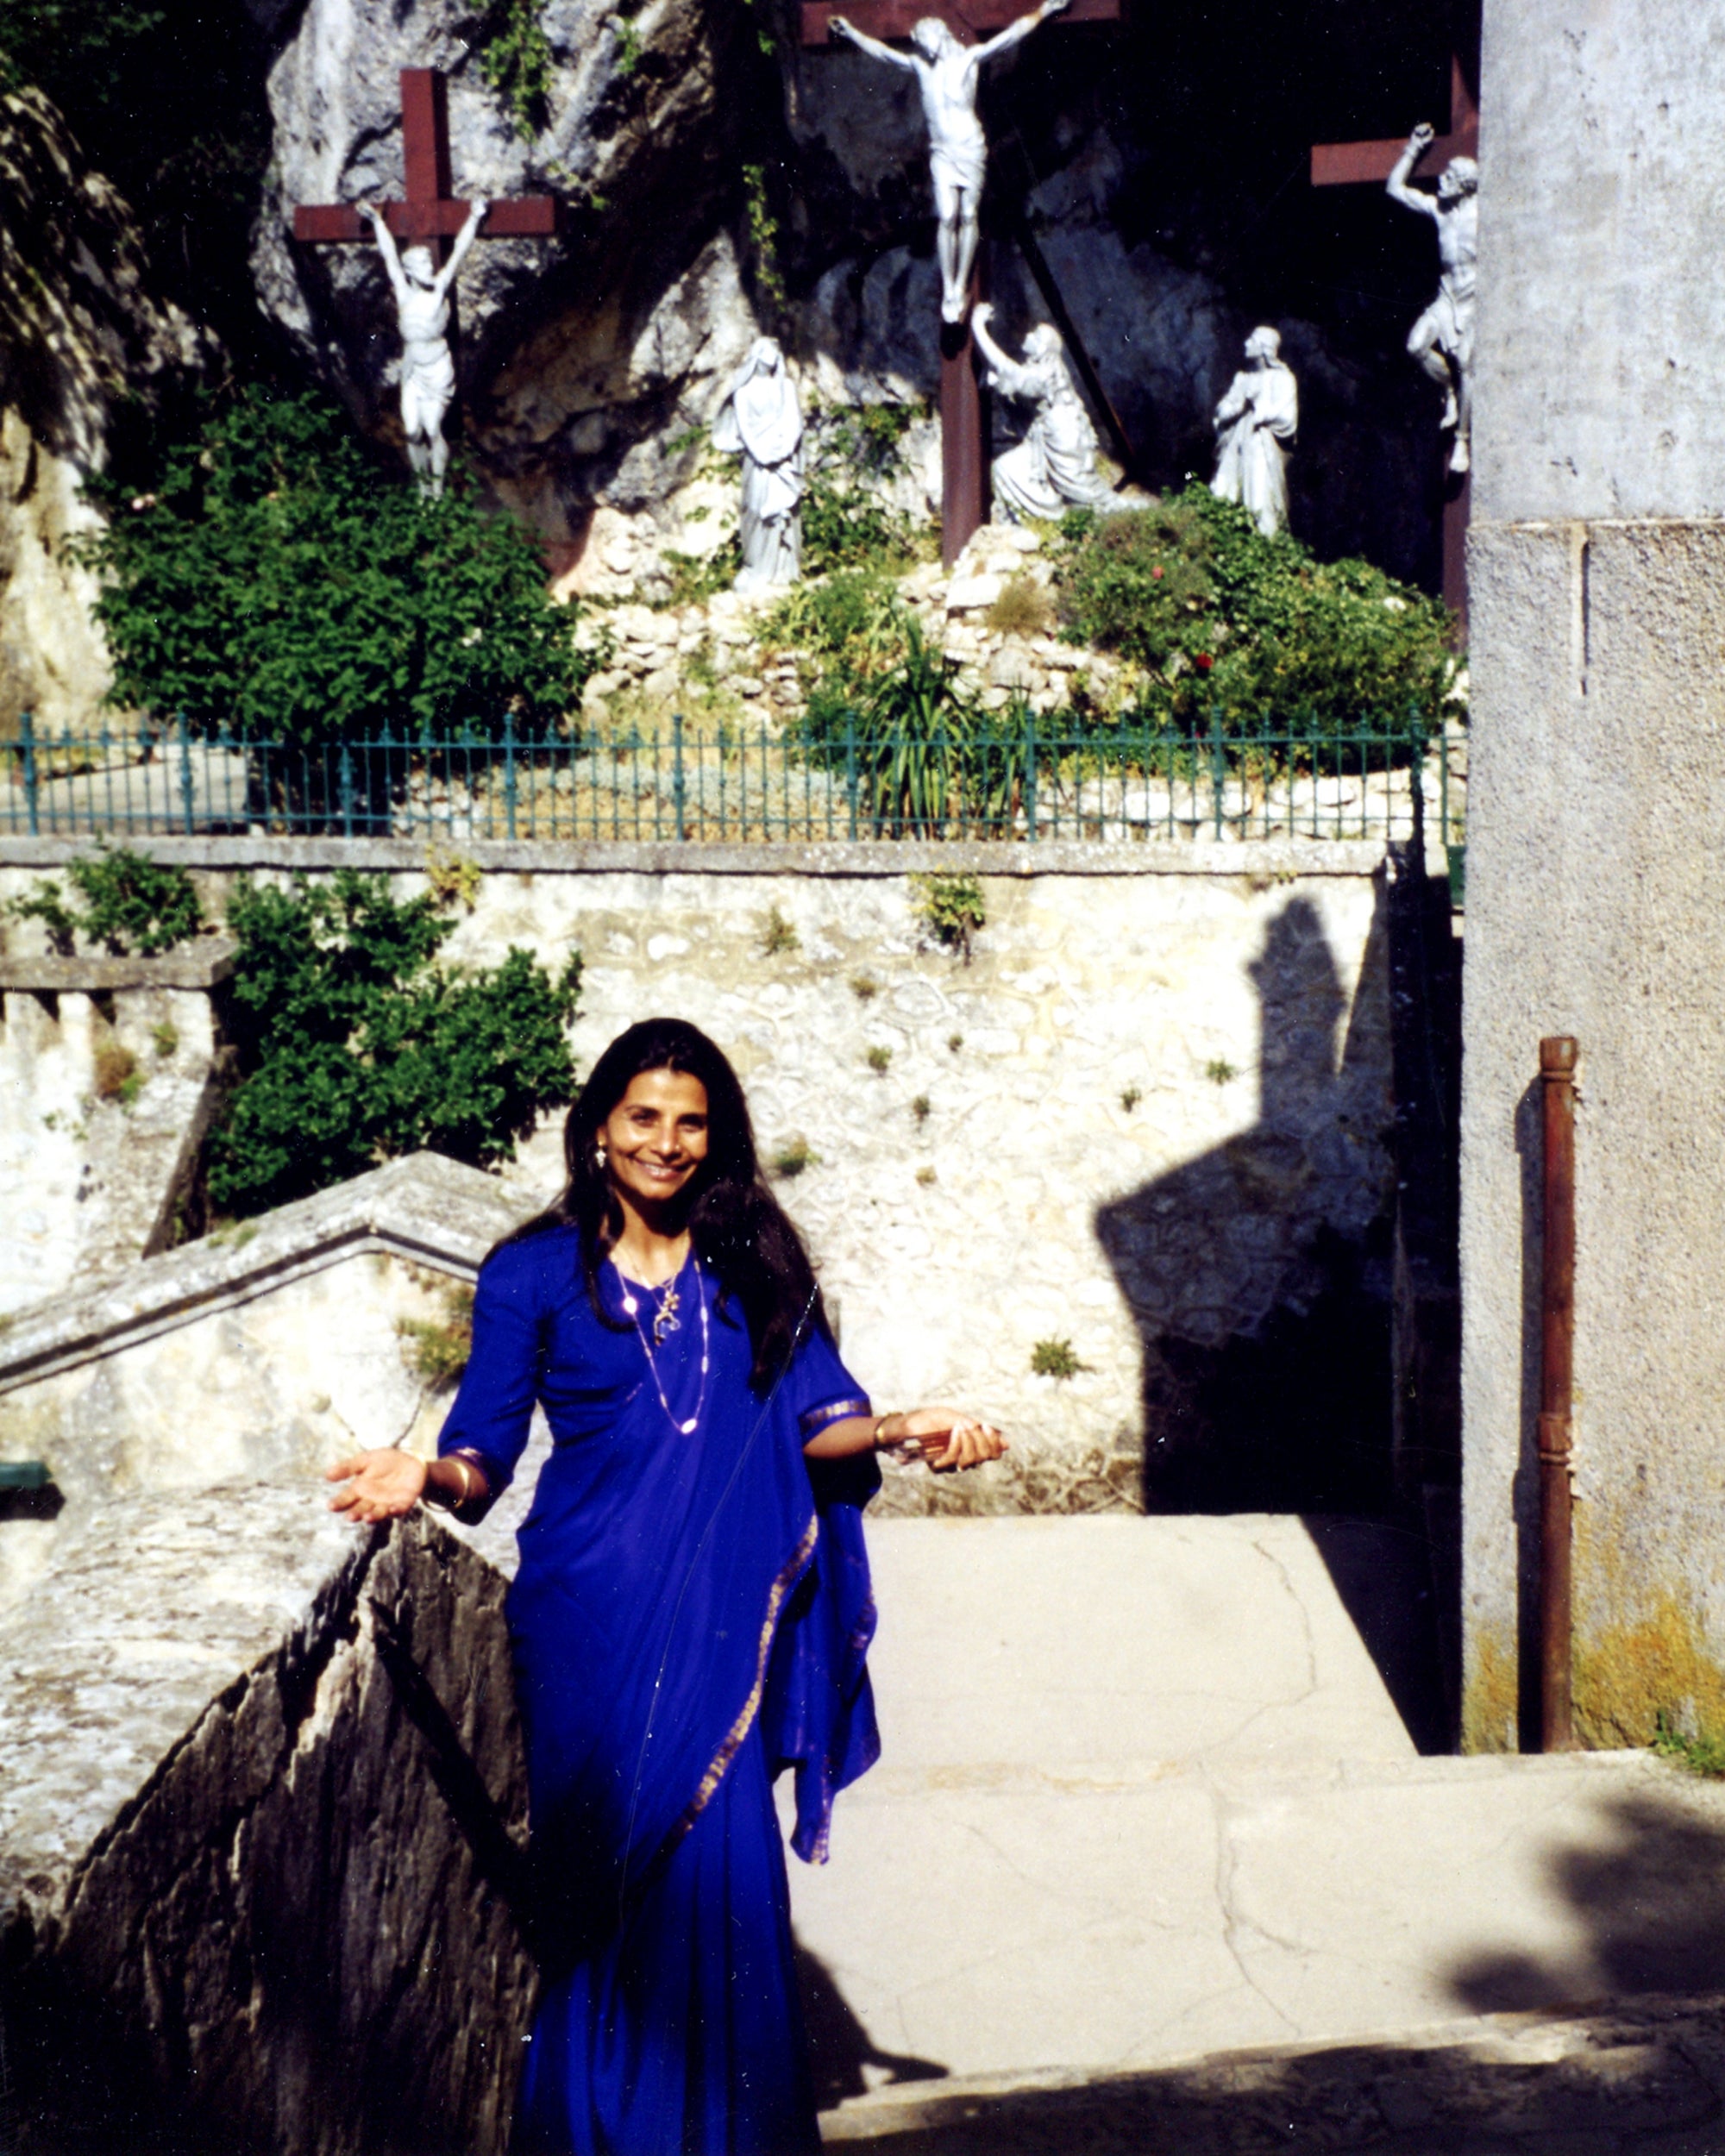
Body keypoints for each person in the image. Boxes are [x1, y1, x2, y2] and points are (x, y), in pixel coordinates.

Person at [326, 1017, 1006, 2155]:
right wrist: (424, 1474)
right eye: (644, 1117)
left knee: (725, 1882)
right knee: (599, 1903)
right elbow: (483, 1457)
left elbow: (821, 1423)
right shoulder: (534, 1274)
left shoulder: (756, 1268)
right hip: (586, 1631)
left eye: (693, 1123)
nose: (668, 1143)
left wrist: (903, 1425)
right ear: (599, 1129)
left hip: (722, 1636)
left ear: (718, 1139)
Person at [829, 2, 1070, 324]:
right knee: (946, 216)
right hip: (942, 151)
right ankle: (950, 289)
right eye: (918, 41)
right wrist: (853, 33)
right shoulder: (919, 65)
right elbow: (883, 53)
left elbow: (1010, 36)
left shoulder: (969, 59)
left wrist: (1043, 10)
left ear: (940, 35)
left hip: (969, 148)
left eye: (925, 39)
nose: (921, 46)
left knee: (968, 214)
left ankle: (960, 281)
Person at [361, 195, 488, 495]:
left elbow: (458, 252)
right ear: (410, 270)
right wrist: (378, 221)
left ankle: (438, 491)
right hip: (412, 370)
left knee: (433, 430)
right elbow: (389, 256)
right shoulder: (404, 294)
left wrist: (474, 217)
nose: (429, 266)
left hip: (436, 369)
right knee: (412, 431)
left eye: (429, 262)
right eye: (422, 263)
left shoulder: (439, 289)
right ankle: (422, 488)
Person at [1385, 124, 1478, 475]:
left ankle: (1462, 440)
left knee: (1468, 363)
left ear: (1466, 185)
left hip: (1473, 302)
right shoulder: (1440, 210)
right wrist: (1413, 149)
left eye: (1450, 177)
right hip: (1446, 298)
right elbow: (1394, 189)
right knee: (1415, 346)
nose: (1442, 180)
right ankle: (1449, 390)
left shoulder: (1484, 215)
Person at [969, 302, 1120, 520]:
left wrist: (978, 329)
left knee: (1084, 494)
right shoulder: (1036, 369)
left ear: (1042, 348)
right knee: (1006, 468)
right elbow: (1015, 386)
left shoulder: (1048, 371)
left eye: (1035, 335)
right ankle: (1048, 519)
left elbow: (1011, 372)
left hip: (1063, 434)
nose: (1028, 336)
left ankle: (1085, 523)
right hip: (1042, 436)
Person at [712, 337, 806, 592]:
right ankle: (756, 568)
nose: (773, 354)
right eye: (766, 350)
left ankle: (783, 571)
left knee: (783, 513)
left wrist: (783, 449)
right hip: (758, 462)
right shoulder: (743, 391)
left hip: (783, 460)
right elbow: (745, 429)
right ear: (756, 355)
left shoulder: (786, 386)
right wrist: (763, 454)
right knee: (755, 510)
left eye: (776, 349)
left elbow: (794, 421)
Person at [1209, 326, 1299, 538]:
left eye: (1252, 340)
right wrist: (1239, 407)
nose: (1246, 343)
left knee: (1259, 500)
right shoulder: (1242, 378)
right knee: (1222, 491)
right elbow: (1222, 410)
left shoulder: (1283, 379)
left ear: (1264, 348)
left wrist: (1257, 409)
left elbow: (1287, 419)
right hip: (1237, 444)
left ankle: (1264, 552)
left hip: (1261, 444)